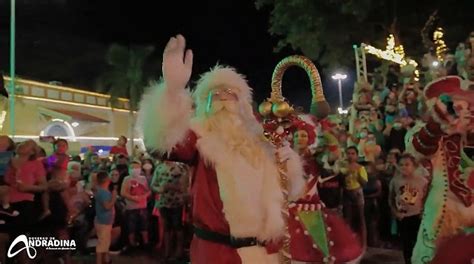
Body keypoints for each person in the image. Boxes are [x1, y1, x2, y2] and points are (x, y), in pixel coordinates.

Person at [137, 35, 305, 263]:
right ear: (204, 103)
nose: (224, 99)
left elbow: (289, 193)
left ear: (243, 103)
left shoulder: (261, 137)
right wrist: (172, 93)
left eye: (231, 94)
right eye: (216, 95)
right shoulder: (199, 136)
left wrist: (289, 166)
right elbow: (162, 145)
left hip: (266, 252)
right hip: (218, 253)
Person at [407, 76, 474, 263]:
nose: (468, 113)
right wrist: (438, 123)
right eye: (459, 107)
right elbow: (419, 148)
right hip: (442, 220)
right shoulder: (426, 132)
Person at [288, 120, 363, 263]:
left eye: (303, 135)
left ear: (309, 138)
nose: (300, 138)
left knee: (319, 248)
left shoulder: (316, 158)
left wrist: (327, 131)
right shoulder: (285, 158)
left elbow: (334, 153)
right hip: (291, 208)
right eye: (297, 136)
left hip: (313, 208)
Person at [389, 154, 428, 264]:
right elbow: (391, 199)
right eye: (401, 165)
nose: (404, 167)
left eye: (407, 164)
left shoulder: (422, 181)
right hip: (403, 217)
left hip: (418, 216)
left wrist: (423, 212)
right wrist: (395, 212)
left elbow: (426, 198)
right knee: (406, 244)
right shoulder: (395, 181)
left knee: (418, 242)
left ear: (414, 166)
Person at [151, 160, 189, 261]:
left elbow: (186, 186)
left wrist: (174, 187)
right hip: (163, 202)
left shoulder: (181, 167)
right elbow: (153, 185)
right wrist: (160, 189)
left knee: (178, 227)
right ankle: (167, 252)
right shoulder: (159, 167)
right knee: (166, 228)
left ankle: (179, 251)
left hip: (177, 202)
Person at [120, 160, 151, 251]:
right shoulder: (127, 179)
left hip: (142, 207)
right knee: (131, 226)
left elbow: (148, 191)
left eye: (137, 167)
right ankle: (132, 244)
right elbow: (123, 192)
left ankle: (145, 243)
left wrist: (144, 197)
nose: (135, 169)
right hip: (131, 207)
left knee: (144, 225)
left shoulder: (143, 179)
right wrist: (134, 198)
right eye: (132, 168)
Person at [342, 146, 368, 247]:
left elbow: (364, 183)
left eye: (353, 153)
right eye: (348, 153)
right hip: (346, 193)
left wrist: (357, 174)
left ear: (357, 156)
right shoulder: (343, 167)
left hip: (357, 192)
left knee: (361, 218)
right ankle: (349, 243)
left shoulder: (361, 168)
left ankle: (364, 243)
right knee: (348, 218)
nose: (350, 156)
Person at [95, 171, 117, 264]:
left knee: (104, 243)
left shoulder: (101, 191)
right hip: (104, 222)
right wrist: (114, 197)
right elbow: (107, 206)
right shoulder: (103, 193)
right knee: (102, 245)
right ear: (107, 180)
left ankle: (106, 260)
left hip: (103, 220)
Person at [0, 135, 18, 224]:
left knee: (5, 190)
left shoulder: (10, 154)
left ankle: (6, 207)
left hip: (3, 176)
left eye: (3, 141)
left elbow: (15, 165)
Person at [363, 162, 382, 247]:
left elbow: (379, 192)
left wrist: (367, 196)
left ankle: (373, 242)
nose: (367, 170)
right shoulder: (361, 179)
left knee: (372, 225)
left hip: (372, 204)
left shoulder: (376, 180)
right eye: (365, 168)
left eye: (368, 168)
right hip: (362, 204)